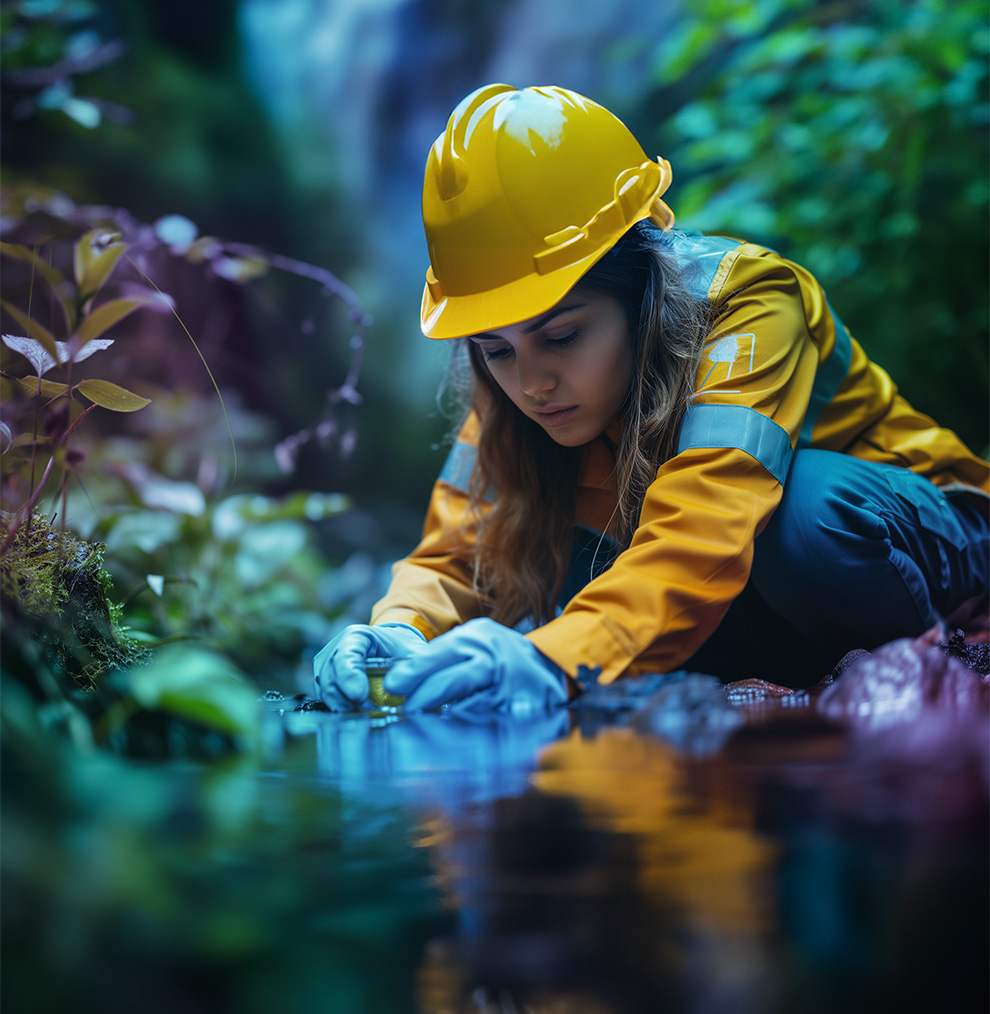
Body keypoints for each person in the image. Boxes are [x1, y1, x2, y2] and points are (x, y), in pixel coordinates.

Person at [314, 83, 989, 714]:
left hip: (925, 533)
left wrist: (553, 660)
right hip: (757, 586)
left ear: (643, 293)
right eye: (495, 350)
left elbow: (706, 522)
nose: (532, 382)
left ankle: (935, 661)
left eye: (564, 335)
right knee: (576, 566)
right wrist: (398, 630)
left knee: (808, 517)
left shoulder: (749, 302)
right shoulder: (518, 378)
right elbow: (457, 551)